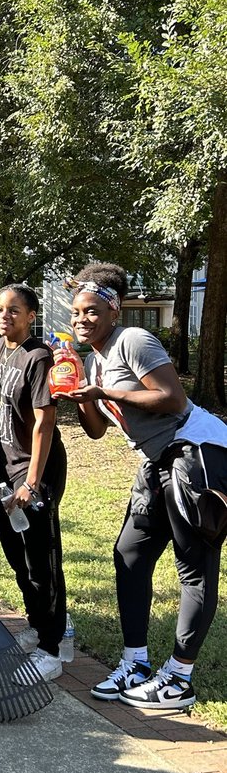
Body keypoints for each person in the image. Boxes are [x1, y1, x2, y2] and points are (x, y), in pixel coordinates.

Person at [63, 262, 227, 710]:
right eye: (77, 312)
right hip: (156, 460)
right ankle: (135, 663)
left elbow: (172, 399)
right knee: (130, 554)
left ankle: (179, 678)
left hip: (195, 450)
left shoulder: (132, 340)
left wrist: (108, 394)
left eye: (93, 311)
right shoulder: (95, 360)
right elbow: (96, 430)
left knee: (194, 566)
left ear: (114, 312)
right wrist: (80, 395)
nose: (82, 319)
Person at [0, 283, 68, 682]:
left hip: (33, 472)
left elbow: (45, 420)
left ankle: (52, 649)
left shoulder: (39, 356)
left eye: (14, 310)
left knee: (42, 560)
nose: (5, 316)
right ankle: (37, 626)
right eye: (0, 310)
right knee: (16, 556)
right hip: (2, 468)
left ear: (32, 315)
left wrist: (32, 482)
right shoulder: (2, 350)